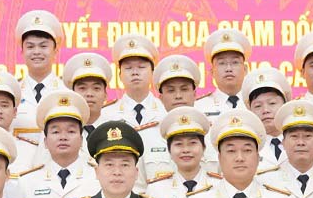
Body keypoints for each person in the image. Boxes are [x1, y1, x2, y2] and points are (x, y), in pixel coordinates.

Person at [144, 55, 217, 183]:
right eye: (171, 91)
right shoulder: (146, 136)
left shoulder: (214, 134)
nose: (178, 96)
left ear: (195, 94)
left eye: (184, 89)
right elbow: (139, 186)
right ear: (160, 97)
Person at [14, 9, 67, 132]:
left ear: (55, 51)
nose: (36, 52)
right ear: (22, 52)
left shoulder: (68, 91)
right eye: (30, 46)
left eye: (43, 46)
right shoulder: (12, 92)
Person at [101, 34, 165, 126]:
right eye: (128, 68)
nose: (135, 72)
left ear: (153, 73)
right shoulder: (106, 114)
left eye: (141, 67)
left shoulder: (165, 109)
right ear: (120, 75)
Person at [240, 67, 293, 170]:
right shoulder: (245, 146)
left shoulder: (301, 140)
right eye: (258, 106)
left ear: (285, 105)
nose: (265, 110)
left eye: (272, 103)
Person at [195, 28, 252, 118]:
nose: (228, 69)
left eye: (235, 62)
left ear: (245, 69)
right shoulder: (199, 107)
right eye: (222, 63)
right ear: (212, 72)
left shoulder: (255, 105)